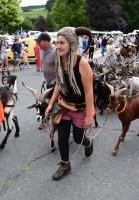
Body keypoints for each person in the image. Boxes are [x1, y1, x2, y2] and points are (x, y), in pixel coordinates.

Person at [45, 27, 94, 180]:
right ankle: (65, 164)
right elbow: (59, 84)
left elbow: (88, 92)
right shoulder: (60, 60)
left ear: (71, 44)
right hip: (64, 106)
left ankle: (88, 143)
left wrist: (89, 117)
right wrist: (50, 104)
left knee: (79, 138)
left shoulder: (82, 64)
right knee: (62, 137)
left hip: (80, 109)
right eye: (57, 42)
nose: (57, 46)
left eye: (61, 43)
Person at [35, 32, 56, 130]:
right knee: (48, 101)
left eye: (39, 41)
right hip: (48, 81)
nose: (38, 43)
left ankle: (46, 120)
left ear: (47, 42)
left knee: (46, 101)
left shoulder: (56, 51)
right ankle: (50, 117)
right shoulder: (41, 50)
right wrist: (45, 79)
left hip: (56, 82)